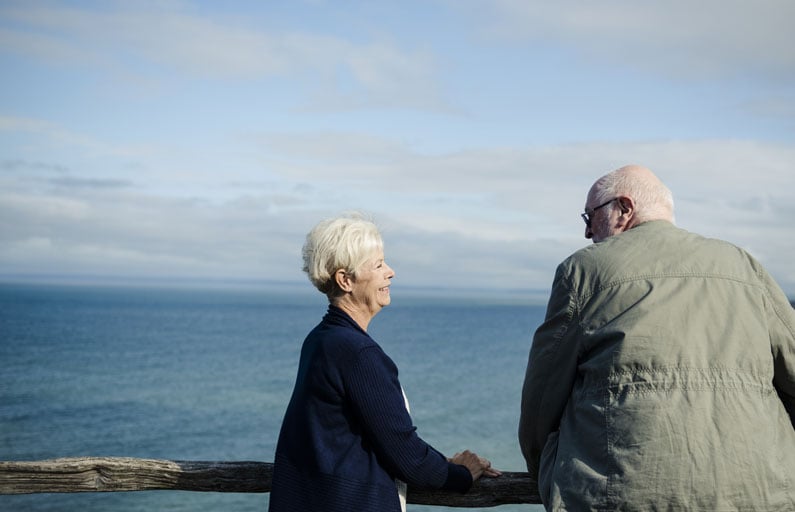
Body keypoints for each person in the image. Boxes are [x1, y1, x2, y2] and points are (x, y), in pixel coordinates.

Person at [519, 165, 795, 510]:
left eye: (589, 216)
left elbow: (542, 397)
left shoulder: (583, 270)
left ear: (624, 208)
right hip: (759, 491)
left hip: (623, 495)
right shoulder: (744, 265)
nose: (588, 232)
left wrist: (542, 471)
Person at [270, 212, 500, 512]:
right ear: (345, 279)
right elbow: (409, 460)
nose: (390, 272)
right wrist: (463, 474)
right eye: (378, 265)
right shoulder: (357, 354)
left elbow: (377, 437)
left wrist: (443, 461)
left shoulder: (321, 340)